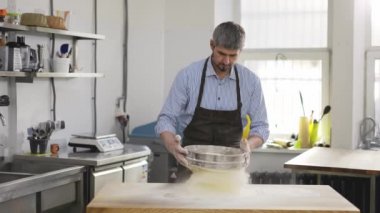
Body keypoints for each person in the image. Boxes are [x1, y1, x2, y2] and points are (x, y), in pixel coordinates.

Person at [155, 21, 269, 181]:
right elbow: (166, 118)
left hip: (230, 174)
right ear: (211, 45)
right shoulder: (188, 76)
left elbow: (261, 127)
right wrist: (173, 147)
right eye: (222, 53)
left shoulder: (251, 82)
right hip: (191, 169)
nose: (227, 61)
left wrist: (249, 145)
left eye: (233, 55)